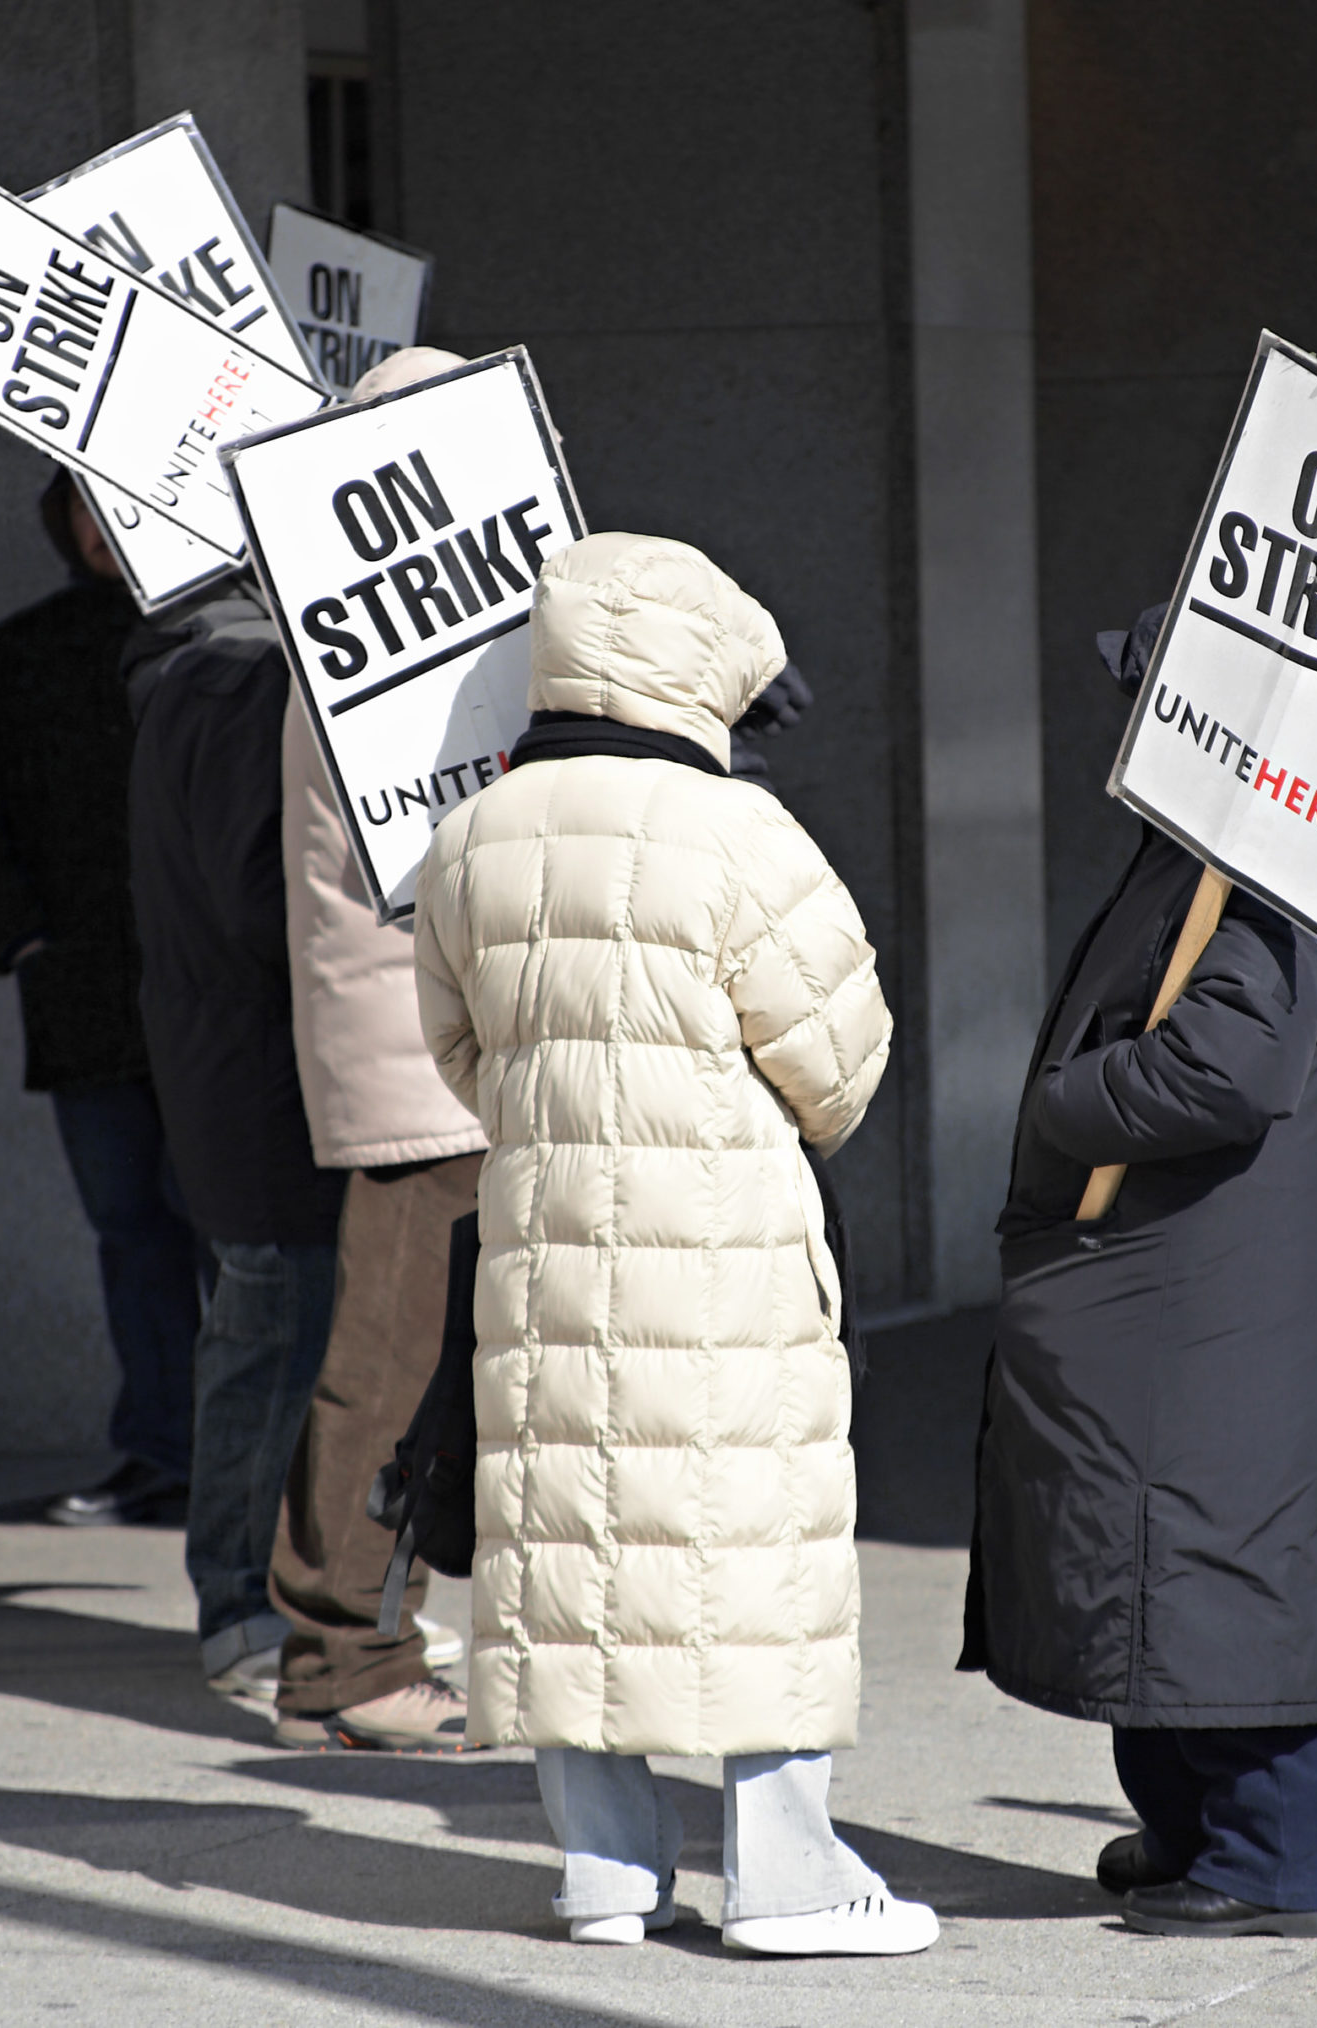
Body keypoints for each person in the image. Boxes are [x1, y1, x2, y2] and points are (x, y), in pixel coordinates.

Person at [412, 531, 934, 1956]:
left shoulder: (472, 834)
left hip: (545, 1250)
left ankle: (604, 1872)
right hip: (723, 1257)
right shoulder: (740, 836)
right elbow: (842, 1059)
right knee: (738, 1546)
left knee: (574, 1548)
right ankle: (785, 1875)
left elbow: (457, 1050)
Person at [959, 601, 1317, 1941]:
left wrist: (1062, 1103)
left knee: (1201, 1550)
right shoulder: (1242, 833)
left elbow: (1228, 1063)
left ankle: (1272, 1858)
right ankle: (1196, 1828)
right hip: (1188, 1273)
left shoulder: (1279, 842)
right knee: (1164, 1555)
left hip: (1206, 1276)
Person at [265, 346, 489, 1755]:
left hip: (424, 1049)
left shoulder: (372, 634)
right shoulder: (385, 656)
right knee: (387, 1366)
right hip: (417, 1061)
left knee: (412, 1361)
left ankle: (370, 1622)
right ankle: (342, 1657)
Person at [0, 470, 201, 1530]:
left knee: (232, 1232)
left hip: (218, 995)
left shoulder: (232, 644)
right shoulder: (19, 656)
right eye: (83, 504)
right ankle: (165, 1451)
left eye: (119, 500)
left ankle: (256, 1460)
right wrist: (25, 941)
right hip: (86, 998)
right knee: (132, 1228)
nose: (102, 526)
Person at [121, 557, 343, 1702]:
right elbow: (264, 901)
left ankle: (273, 1606)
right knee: (274, 1330)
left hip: (247, 1060)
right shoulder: (242, 678)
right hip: (265, 1068)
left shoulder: (208, 670)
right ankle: (247, 1611)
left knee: (278, 1325)